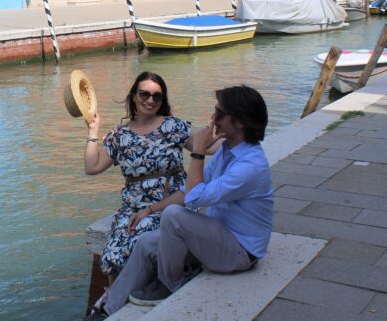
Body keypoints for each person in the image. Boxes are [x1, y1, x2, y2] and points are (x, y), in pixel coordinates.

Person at [95, 85, 274, 318]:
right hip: (218, 237)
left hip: (241, 253)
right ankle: (106, 310)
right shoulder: (228, 150)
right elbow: (186, 191)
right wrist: (150, 209)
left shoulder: (250, 166)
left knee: (173, 216)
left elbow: (194, 198)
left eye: (220, 113)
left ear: (239, 122)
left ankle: (171, 284)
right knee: (147, 242)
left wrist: (198, 151)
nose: (213, 119)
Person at [83, 72, 193, 286]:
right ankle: (114, 301)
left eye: (156, 96)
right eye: (144, 94)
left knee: (137, 243)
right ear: (134, 96)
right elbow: (92, 167)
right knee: (112, 257)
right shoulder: (120, 135)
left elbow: (206, 145)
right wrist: (92, 130)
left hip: (168, 205)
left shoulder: (174, 127)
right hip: (132, 208)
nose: (150, 100)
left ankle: (135, 295)